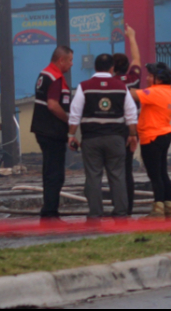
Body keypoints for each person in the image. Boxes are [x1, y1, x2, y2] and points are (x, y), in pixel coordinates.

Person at [68, 53, 139, 222]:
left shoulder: (84, 86)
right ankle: (121, 213)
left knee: (93, 176)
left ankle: (95, 213)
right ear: (112, 68)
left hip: (91, 139)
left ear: (95, 67)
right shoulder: (121, 87)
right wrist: (132, 135)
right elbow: (131, 113)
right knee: (118, 175)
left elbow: (75, 113)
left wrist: (71, 135)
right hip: (116, 139)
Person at [30, 45, 74, 221]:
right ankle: (50, 213)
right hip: (52, 132)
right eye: (70, 60)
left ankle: (49, 211)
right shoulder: (55, 78)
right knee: (55, 175)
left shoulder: (44, 73)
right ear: (61, 60)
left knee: (49, 172)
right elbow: (53, 105)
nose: (71, 64)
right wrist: (69, 121)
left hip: (42, 130)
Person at [132, 61, 171, 219]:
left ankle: (158, 209)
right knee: (163, 173)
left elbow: (133, 94)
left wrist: (118, 84)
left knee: (155, 175)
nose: (148, 78)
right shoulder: (167, 91)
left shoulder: (155, 92)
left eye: (151, 76)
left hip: (152, 137)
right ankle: (168, 207)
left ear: (159, 79)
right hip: (164, 134)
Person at [113, 25, 144, 215]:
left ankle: (119, 206)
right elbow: (137, 59)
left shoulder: (111, 83)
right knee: (127, 169)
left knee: (116, 171)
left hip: (116, 129)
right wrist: (132, 37)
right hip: (133, 129)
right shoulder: (133, 78)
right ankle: (129, 207)